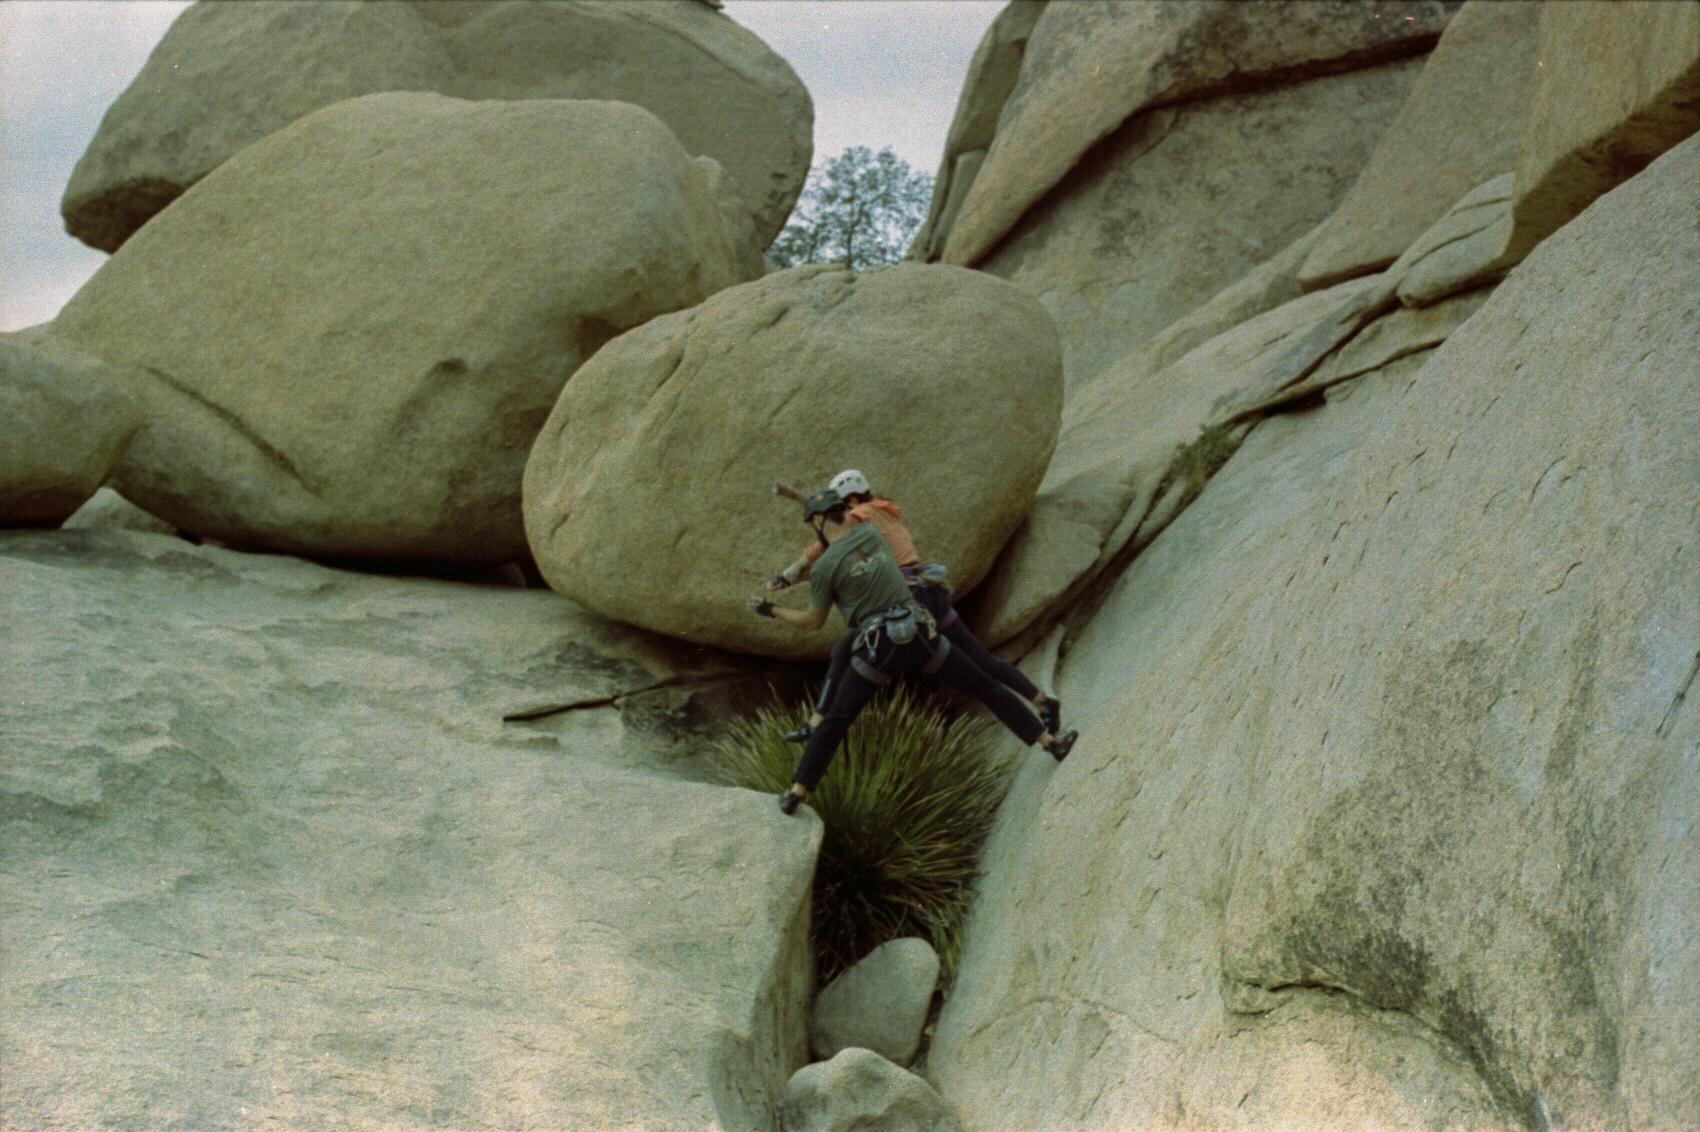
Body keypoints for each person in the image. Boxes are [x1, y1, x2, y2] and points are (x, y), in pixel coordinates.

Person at [747, 488, 1077, 815]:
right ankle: (1052, 743)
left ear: (818, 521)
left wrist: (771, 610)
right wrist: (798, 500)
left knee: (837, 719)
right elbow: (848, 547)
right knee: (985, 686)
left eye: (812, 524)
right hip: (920, 636)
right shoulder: (870, 535)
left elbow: (813, 622)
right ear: (842, 510)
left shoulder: (824, 569)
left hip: (878, 651)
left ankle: (796, 792)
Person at [767, 469, 1061, 742]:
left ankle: (817, 721)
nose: (839, 516)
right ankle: (1041, 701)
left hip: (911, 600)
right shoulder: (884, 510)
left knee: (844, 650)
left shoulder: (861, 514)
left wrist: (793, 562)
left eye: (841, 507)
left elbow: (825, 533)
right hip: (929, 592)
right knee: (981, 659)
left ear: (852, 501)